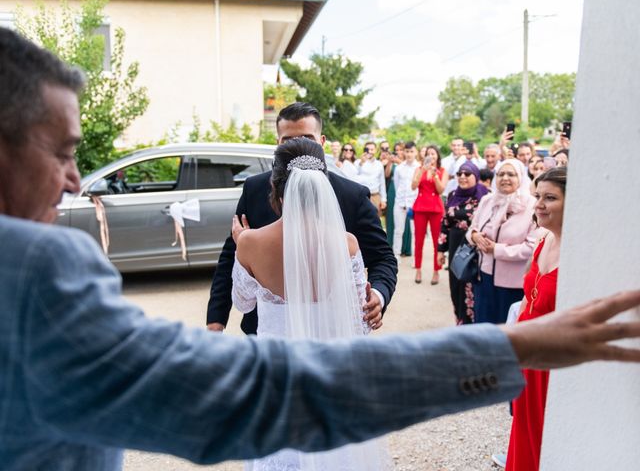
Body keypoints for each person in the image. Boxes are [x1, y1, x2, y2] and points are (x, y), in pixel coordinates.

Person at [3, 28, 640, 471]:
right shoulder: (31, 268)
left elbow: (379, 260)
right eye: (61, 151)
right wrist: (510, 349)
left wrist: (378, 295)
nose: (70, 178)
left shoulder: (349, 200)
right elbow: (255, 390)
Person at [232, 138, 390, 471]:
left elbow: (243, 303)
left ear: (275, 188)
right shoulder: (346, 244)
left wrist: (240, 244)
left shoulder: (250, 243)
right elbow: (359, 323)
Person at [207, 104, 397, 334]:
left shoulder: (352, 195)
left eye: (307, 137)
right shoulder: (255, 188)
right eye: (288, 140)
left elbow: (383, 257)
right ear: (278, 144)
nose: (299, 146)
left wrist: (377, 295)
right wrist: (216, 319)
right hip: (263, 330)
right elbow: (230, 256)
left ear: (322, 141)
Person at [506, 167, 567, 471]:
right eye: (538, 196)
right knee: (523, 431)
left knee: (545, 437)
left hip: (551, 364)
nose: (539, 204)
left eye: (550, 198)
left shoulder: (578, 254)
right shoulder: (544, 240)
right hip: (526, 355)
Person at [467, 159, 538, 324]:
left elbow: (531, 246)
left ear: (521, 178)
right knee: (483, 325)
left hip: (512, 283)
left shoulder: (532, 206)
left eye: (511, 174)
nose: (505, 178)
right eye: (500, 174)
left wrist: (496, 249)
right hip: (483, 277)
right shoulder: (487, 200)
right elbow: (472, 229)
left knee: (505, 329)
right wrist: (475, 236)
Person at [438, 162, 489, 324]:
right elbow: (445, 222)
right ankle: (460, 321)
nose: (462, 177)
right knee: (456, 286)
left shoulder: (485, 197)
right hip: (455, 245)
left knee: (470, 287)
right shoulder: (453, 195)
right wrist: (440, 250)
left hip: (474, 248)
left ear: (476, 176)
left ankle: (471, 325)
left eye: (467, 174)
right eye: (460, 173)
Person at [412, 144, 448, 285]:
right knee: (418, 240)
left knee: (436, 241)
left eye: (433, 154)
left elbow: (441, 190)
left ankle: (436, 271)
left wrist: (435, 176)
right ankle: (418, 269)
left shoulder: (442, 171)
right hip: (420, 206)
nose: (431, 156)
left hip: (435, 207)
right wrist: (423, 171)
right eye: (428, 153)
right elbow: (413, 186)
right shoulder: (419, 169)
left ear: (437, 156)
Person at [392, 141, 420, 259]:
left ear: (416, 152)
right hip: (400, 203)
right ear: (404, 152)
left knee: (415, 231)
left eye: (411, 151)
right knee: (398, 230)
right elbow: (397, 185)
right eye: (407, 151)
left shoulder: (419, 167)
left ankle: (415, 257)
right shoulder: (399, 168)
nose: (409, 154)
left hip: (414, 204)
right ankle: (396, 255)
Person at [357, 141, 387, 215]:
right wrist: (361, 163)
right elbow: (355, 176)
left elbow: (382, 183)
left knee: (376, 221)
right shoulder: (358, 162)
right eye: (367, 149)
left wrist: (383, 200)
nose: (370, 151)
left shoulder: (379, 164)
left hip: (375, 196)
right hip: (362, 196)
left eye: (372, 149)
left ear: (376, 150)